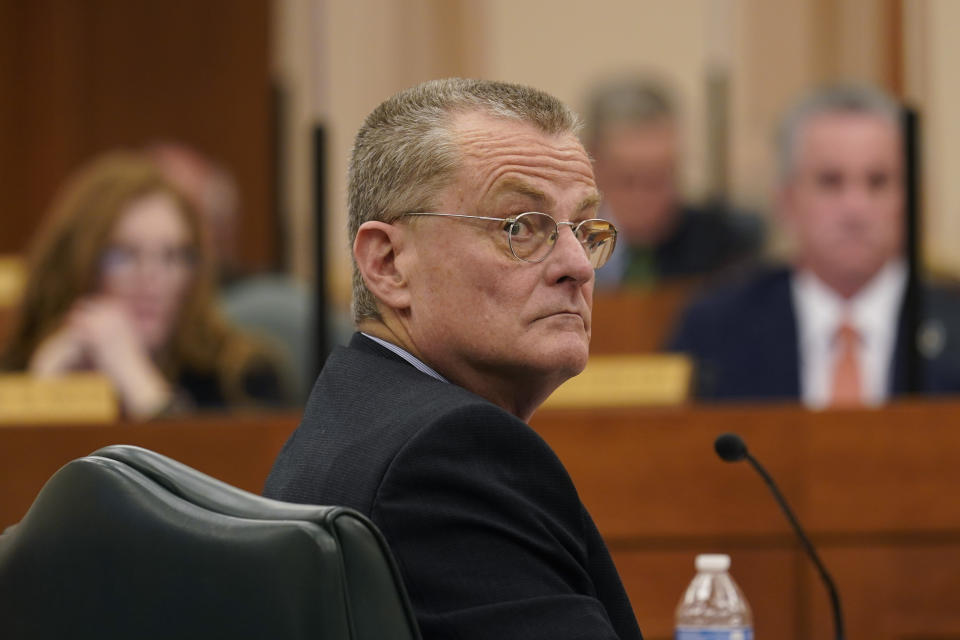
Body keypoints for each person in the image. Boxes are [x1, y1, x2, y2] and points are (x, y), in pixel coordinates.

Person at [264, 79, 642, 640]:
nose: (579, 267)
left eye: (585, 229)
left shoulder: (359, 417)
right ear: (388, 263)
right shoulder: (448, 456)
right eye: (522, 227)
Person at [668, 84, 960, 405]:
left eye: (878, 182)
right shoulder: (717, 329)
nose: (855, 208)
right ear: (786, 200)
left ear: (912, 200)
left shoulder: (952, 324)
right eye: (830, 181)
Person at [0, 152, 293, 418]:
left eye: (173, 255)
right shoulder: (18, 367)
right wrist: (42, 393)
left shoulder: (242, 378)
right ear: (76, 263)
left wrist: (140, 383)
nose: (153, 277)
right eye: (125, 255)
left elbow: (212, 472)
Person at [584, 76, 761, 289]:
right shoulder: (565, 243)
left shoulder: (722, 246)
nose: (643, 200)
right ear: (593, 165)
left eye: (659, 180)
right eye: (628, 181)